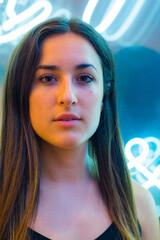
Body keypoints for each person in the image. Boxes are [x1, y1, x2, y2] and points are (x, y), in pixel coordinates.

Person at [0, 18, 159, 240]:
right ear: (21, 93)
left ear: (105, 93)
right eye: (47, 78)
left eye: (85, 78)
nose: (67, 97)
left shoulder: (137, 205)